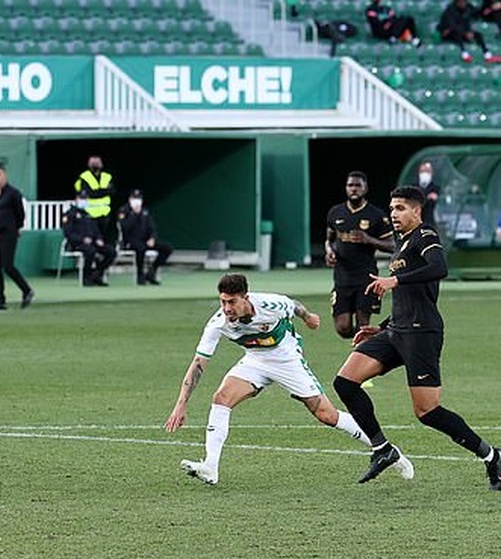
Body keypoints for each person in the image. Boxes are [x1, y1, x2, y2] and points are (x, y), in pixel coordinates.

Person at [164, 274, 414, 486]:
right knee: (221, 398)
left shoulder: (269, 304)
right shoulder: (218, 323)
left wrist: (308, 317)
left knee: (327, 415)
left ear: (245, 298)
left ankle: (386, 450)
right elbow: (198, 364)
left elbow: (293, 305)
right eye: (223, 301)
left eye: (232, 302)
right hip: (255, 360)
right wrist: (181, 404)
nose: (227, 308)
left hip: (287, 360)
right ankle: (210, 466)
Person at [333, 186, 500, 488]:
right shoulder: (402, 241)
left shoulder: (426, 235)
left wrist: (394, 280)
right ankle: (382, 449)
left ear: (416, 211)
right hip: (395, 331)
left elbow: (439, 268)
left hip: (422, 332)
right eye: (391, 208)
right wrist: (381, 326)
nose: (393, 214)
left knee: (427, 411)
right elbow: (409, 297)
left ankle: (492, 456)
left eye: (400, 208)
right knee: (345, 382)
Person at [324, 171, 395, 339]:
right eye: (350, 185)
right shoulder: (335, 212)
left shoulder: (376, 215)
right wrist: (329, 252)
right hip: (342, 277)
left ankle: (363, 351)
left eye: (358, 185)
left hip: (365, 277)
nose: (354, 189)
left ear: (365, 188)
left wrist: (369, 239)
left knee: (363, 324)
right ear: (346, 188)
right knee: (343, 327)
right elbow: (329, 240)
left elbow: (392, 246)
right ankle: (365, 342)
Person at [0, 165, 34, 310]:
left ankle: (26, 290)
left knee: (7, 266)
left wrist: (18, 227)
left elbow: (20, 212)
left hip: (8, 233)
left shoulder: (13, 193)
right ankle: (0, 300)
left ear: (5, 175)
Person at [116, 188, 173, 285]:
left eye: (138, 199)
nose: (137, 201)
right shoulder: (124, 211)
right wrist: (134, 214)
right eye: (134, 199)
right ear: (130, 199)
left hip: (146, 240)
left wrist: (152, 238)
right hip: (130, 241)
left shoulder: (145, 211)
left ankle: (152, 271)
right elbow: (124, 227)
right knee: (140, 249)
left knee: (167, 248)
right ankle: (140, 275)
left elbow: (152, 227)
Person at [62, 189, 116, 287]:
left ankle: (97, 273)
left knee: (111, 251)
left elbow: (96, 230)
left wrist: (99, 239)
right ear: (77, 199)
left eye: (85, 199)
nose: (84, 201)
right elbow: (68, 233)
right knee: (90, 251)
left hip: (92, 242)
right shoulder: (70, 214)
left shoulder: (89, 214)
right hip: (77, 244)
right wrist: (82, 239)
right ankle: (86, 277)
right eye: (82, 199)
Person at [73, 155, 117, 247]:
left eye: (97, 162)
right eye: (93, 162)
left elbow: (112, 191)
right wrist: (104, 191)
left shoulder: (107, 176)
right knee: (92, 241)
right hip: (90, 214)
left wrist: (97, 192)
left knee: (105, 241)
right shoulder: (84, 177)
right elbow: (89, 193)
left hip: (105, 214)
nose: (95, 164)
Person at [414, 161, 441, 227]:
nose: (424, 174)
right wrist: (427, 197)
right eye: (422, 171)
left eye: (427, 171)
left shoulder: (436, 188)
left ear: (432, 173)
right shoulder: (413, 187)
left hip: (429, 224)